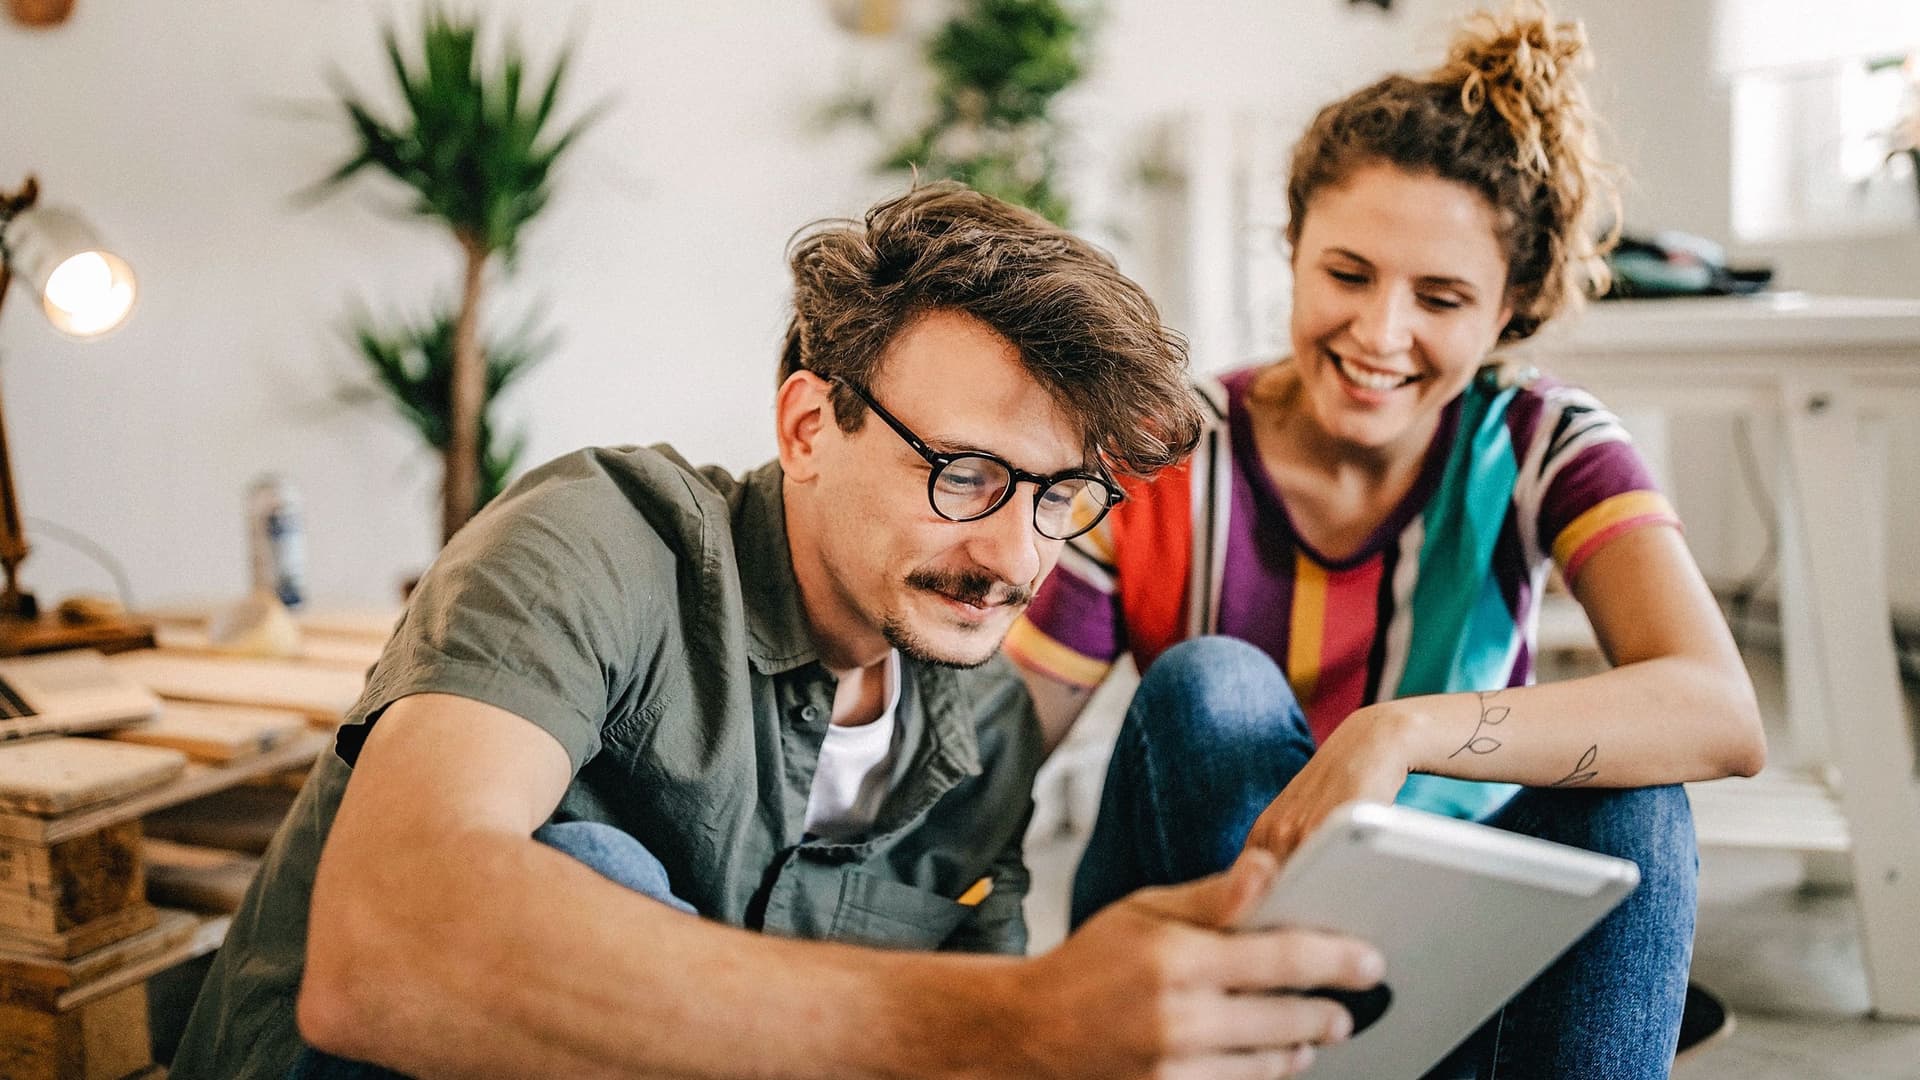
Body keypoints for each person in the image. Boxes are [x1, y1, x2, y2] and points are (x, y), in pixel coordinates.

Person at [169, 182, 1388, 1080]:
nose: (1015, 558)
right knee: (598, 883)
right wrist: (1021, 1021)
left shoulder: (982, 726)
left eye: (1060, 498)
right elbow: (389, 945)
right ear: (808, 427)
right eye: (964, 474)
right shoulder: (598, 540)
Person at [1005, 5, 1767, 1077]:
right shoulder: (1163, 453)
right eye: (1348, 274)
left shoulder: (1545, 442)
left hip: (1440, 957)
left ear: (1509, 313)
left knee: (1635, 791)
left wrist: (1395, 733)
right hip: (1195, 956)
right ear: (1294, 250)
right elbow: (989, 761)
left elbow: (1721, 712)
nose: (1379, 333)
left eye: (1442, 297)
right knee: (1213, 682)